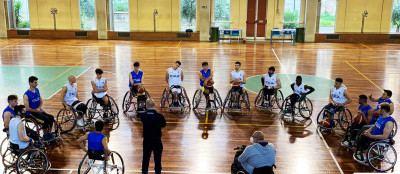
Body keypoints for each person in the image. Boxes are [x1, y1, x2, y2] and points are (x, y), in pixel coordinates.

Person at [23, 76, 56, 141]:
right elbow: (27, 108)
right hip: (31, 113)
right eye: (35, 82)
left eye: (37, 82)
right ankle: (45, 135)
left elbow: (41, 100)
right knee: (45, 119)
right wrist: (37, 110)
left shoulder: (37, 90)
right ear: (30, 83)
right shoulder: (26, 95)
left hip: (38, 110)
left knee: (51, 117)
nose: (37, 84)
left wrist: (39, 108)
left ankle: (49, 132)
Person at [141, 99, 166, 174]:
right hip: (157, 140)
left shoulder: (143, 116)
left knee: (145, 159)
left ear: (147, 106)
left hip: (147, 141)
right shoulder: (159, 117)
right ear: (154, 105)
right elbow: (163, 125)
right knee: (158, 160)